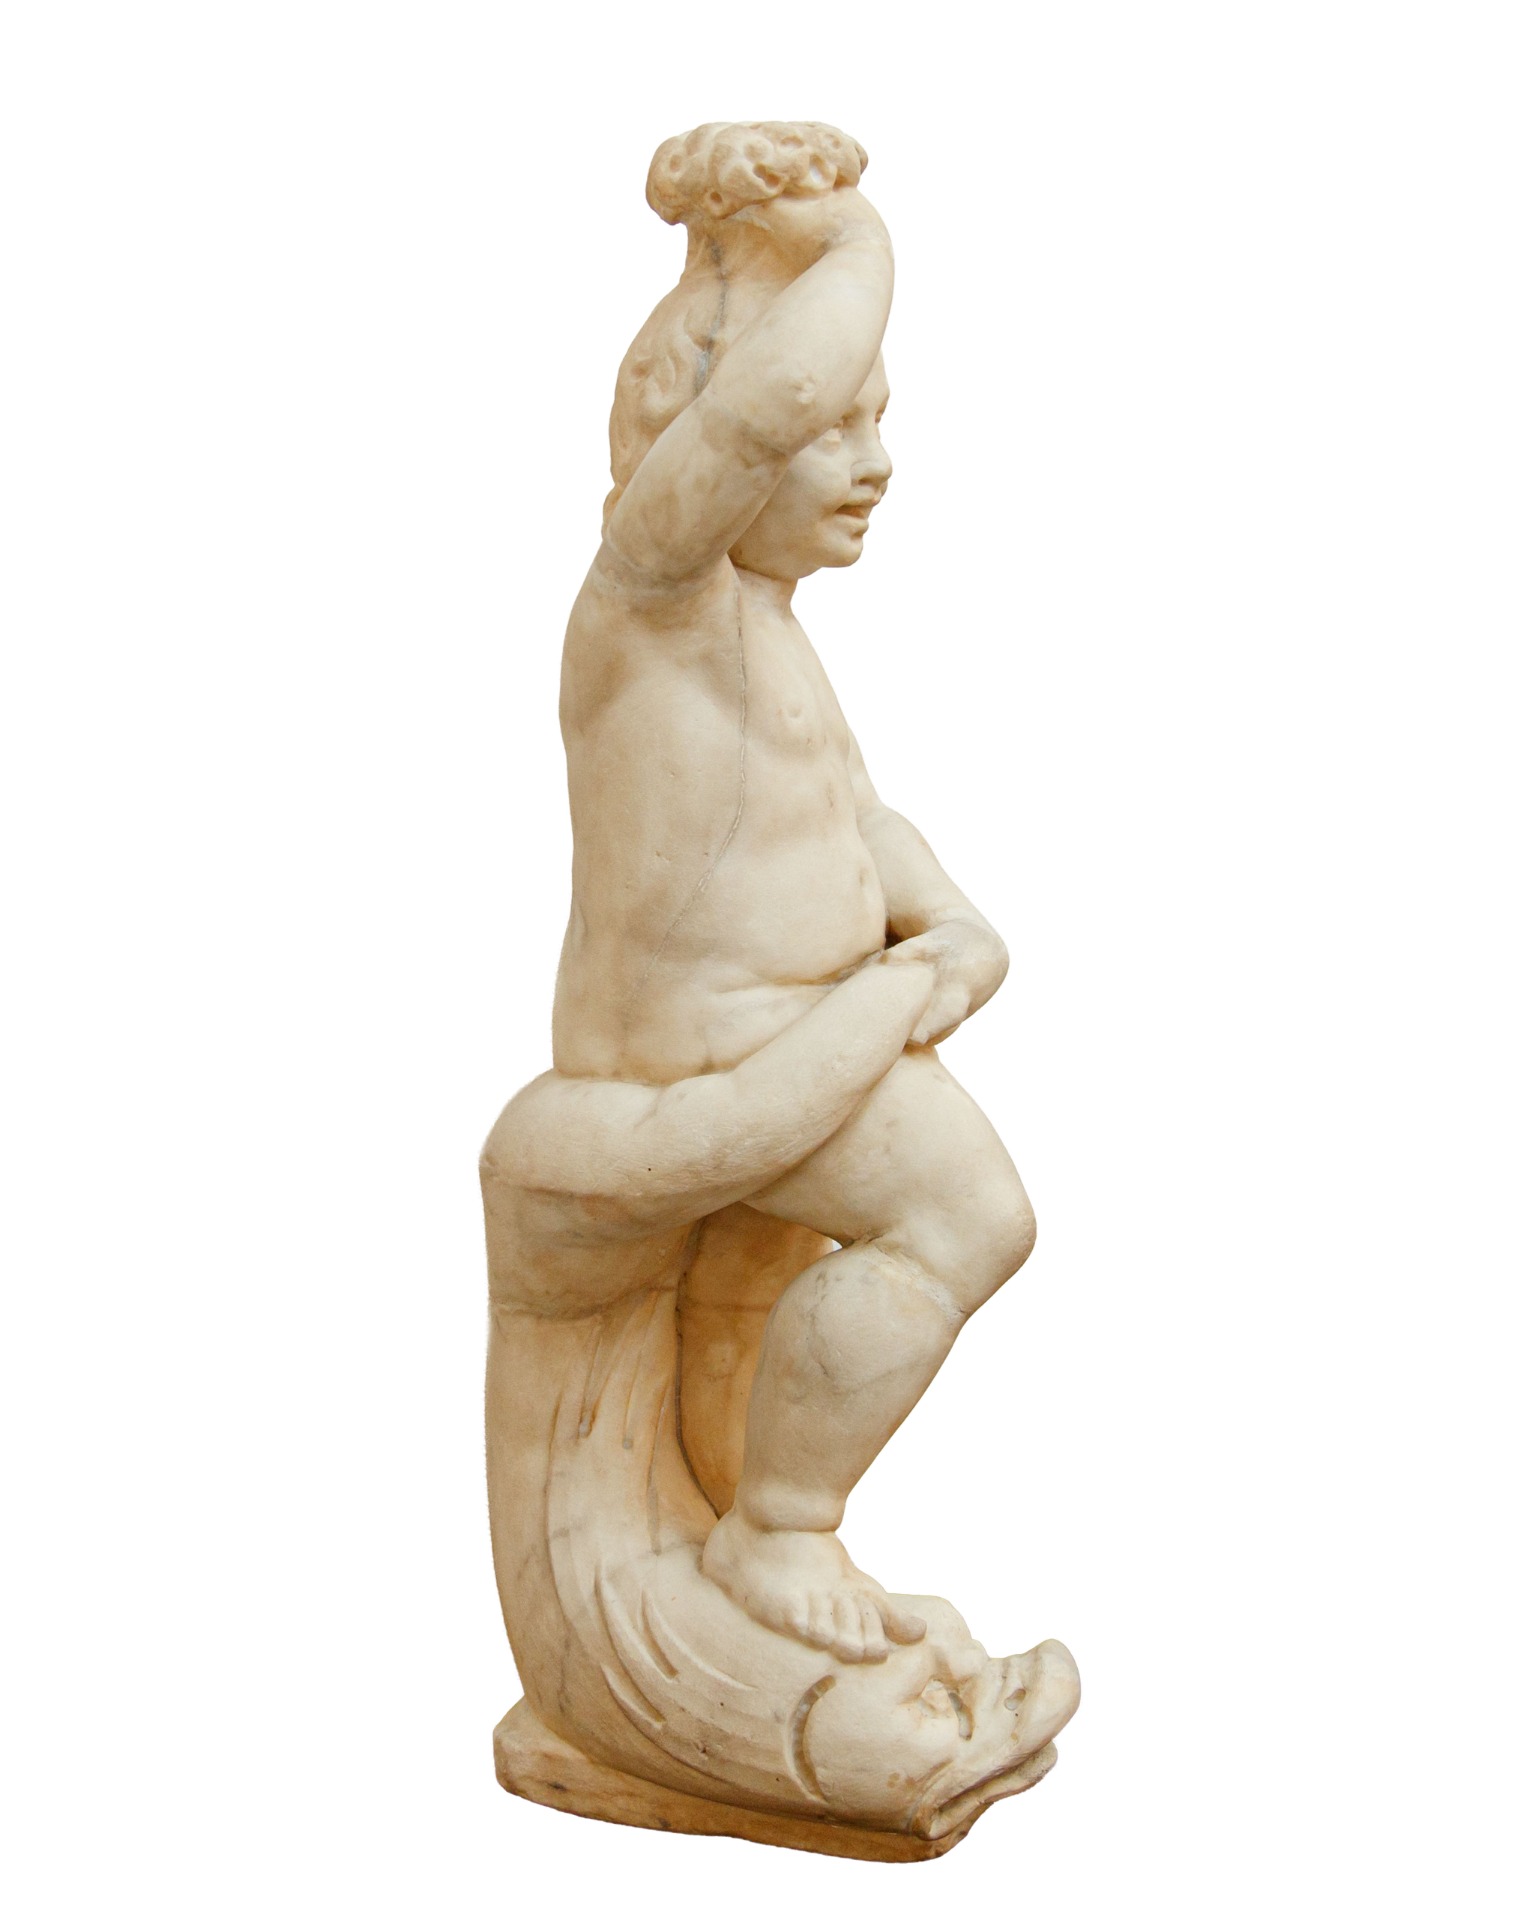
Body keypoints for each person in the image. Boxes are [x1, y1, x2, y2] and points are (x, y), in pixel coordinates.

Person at [552, 123, 1037, 1666]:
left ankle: (739, 1532)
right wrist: (850, 242)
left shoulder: (762, 627)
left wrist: (946, 915)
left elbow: (848, 812)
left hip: (797, 1028)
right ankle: (780, 1528)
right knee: (966, 1213)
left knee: (767, 1293)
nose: (872, 462)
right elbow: (760, 403)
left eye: (875, 423)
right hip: (707, 1051)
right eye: (835, 426)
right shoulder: (653, 599)